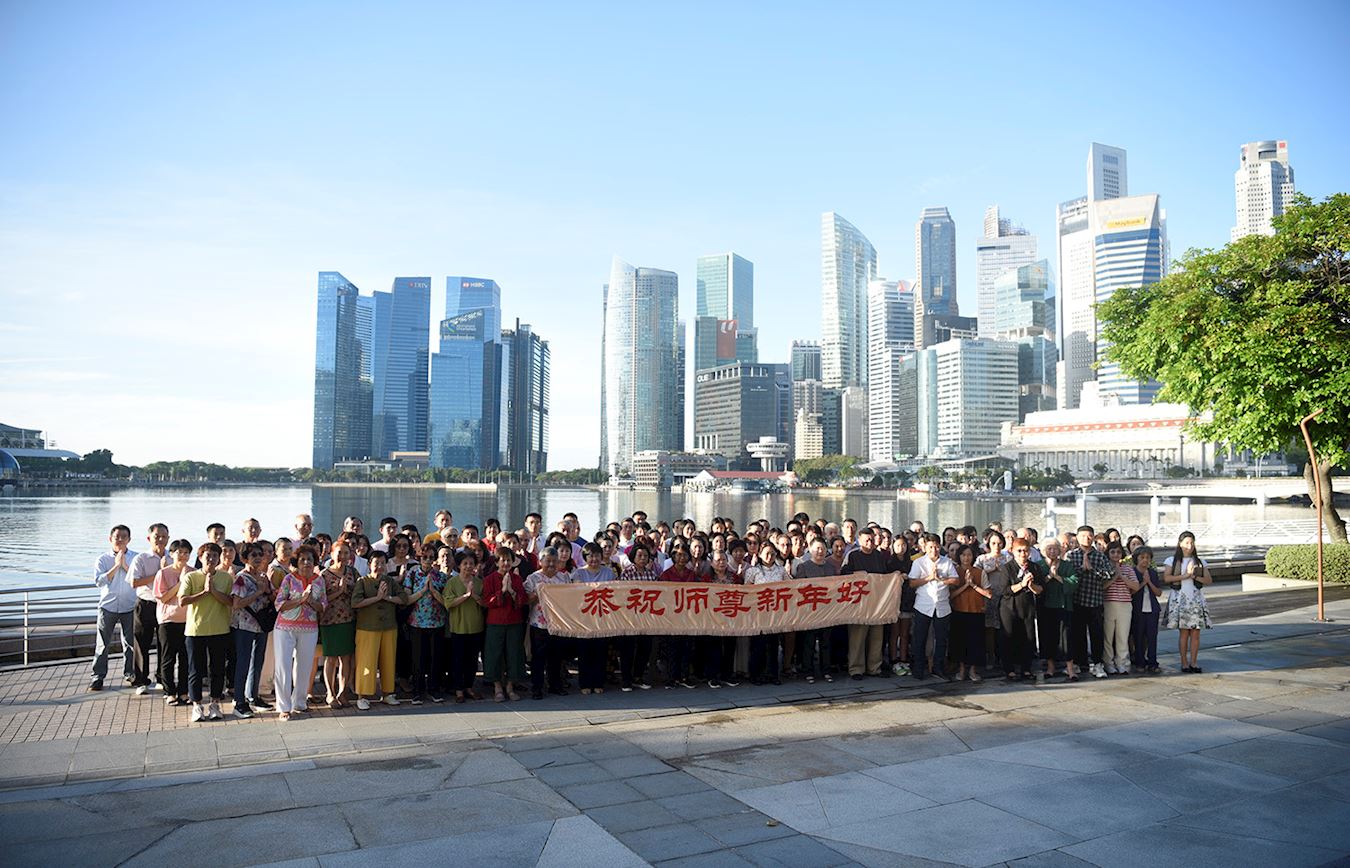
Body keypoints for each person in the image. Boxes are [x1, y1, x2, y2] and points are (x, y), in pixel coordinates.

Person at [179, 542, 235, 722]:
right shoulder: (191, 577)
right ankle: (196, 705)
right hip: (196, 630)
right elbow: (182, 600)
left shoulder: (226, 578)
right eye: (207, 556)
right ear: (200, 557)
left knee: (218, 669)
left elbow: (230, 601)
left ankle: (215, 703)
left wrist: (214, 591)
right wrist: (204, 592)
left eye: (214, 556)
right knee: (195, 670)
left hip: (220, 629)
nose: (211, 559)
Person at [273, 545, 327, 720]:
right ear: (297, 562)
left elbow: (323, 606)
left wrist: (310, 601)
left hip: (309, 628)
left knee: (304, 667)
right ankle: (284, 707)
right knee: (283, 666)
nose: (306, 563)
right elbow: (279, 604)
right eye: (302, 559)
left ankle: (300, 703)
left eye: (309, 559)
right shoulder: (289, 579)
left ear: (314, 562)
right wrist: (300, 599)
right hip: (285, 628)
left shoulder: (319, 581)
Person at [352, 549, 405, 709]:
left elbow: (404, 598)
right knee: (366, 662)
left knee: (388, 661)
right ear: (369, 564)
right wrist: (377, 598)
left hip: (389, 627)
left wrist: (387, 598)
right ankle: (362, 695)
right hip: (367, 628)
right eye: (376, 563)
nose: (380, 566)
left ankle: (388, 693)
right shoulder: (362, 581)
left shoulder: (390, 582)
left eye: (383, 563)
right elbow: (355, 603)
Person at [90, 525, 138, 692]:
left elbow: (137, 579)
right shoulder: (102, 559)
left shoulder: (136, 558)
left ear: (129, 540)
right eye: (117, 537)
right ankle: (97, 676)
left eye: (124, 537)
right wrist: (115, 566)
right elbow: (99, 581)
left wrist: (124, 565)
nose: (120, 540)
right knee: (103, 643)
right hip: (107, 606)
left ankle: (130, 673)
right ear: (110, 539)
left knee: (130, 643)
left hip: (130, 606)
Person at [230, 543, 274, 718]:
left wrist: (268, 591)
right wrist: (259, 592)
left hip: (261, 625)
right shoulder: (241, 578)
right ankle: (239, 701)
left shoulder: (263, 576)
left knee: (258, 662)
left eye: (259, 554)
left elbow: (270, 595)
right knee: (243, 662)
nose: (257, 558)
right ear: (244, 558)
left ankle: (253, 696)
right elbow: (237, 603)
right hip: (244, 625)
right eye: (253, 555)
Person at [840, 529, 889, 680]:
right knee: (857, 637)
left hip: (877, 602)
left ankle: (874, 667)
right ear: (859, 541)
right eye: (866, 540)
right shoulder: (853, 555)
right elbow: (844, 575)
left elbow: (886, 576)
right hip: (858, 602)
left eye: (872, 540)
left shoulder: (879, 556)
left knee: (876, 636)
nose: (870, 543)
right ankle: (856, 669)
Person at [908, 533, 958, 681]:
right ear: (925, 547)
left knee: (941, 639)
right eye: (930, 546)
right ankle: (919, 668)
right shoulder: (919, 563)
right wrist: (929, 578)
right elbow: (912, 583)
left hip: (942, 605)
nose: (934, 549)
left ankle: (938, 667)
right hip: (923, 605)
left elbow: (956, 580)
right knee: (920, 638)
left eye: (936, 546)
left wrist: (943, 579)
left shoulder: (946, 562)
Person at [125, 523, 168, 695]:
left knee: (164, 643)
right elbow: (134, 582)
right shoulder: (141, 558)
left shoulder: (172, 557)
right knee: (141, 642)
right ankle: (141, 680)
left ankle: (162, 678)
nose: (160, 540)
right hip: (146, 603)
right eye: (157, 536)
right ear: (149, 538)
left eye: (164, 536)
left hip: (165, 605)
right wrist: (160, 573)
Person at [404, 543, 449, 704]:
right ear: (419, 557)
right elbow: (407, 599)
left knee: (435, 657)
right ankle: (417, 690)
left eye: (431, 557)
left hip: (436, 622)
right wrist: (423, 590)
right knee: (418, 658)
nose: (428, 560)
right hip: (416, 622)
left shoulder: (441, 576)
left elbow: (446, 601)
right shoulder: (412, 574)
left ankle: (434, 689)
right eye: (425, 557)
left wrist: (434, 591)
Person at [524, 546, 571, 699]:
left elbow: (570, 598)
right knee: (538, 658)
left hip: (558, 623)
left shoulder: (564, 577)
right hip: (539, 623)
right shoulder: (533, 578)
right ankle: (537, 688)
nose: (551, 565)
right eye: (548, 561)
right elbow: (526, 600)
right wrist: (538, 593)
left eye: (554, 561)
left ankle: (555, 685)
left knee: (556, 656)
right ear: (541, 561)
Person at [482, 546, 528, 702]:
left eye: (509, 560)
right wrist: (501, 591)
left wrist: (512, 591)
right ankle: (497, 687)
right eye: (503, 560)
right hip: (495, 622)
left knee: (514, 654)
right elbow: (486, 602)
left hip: (514, 622)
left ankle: (510, 686)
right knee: (494, 654)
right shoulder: (489, 579)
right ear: (496, 562)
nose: (506, 563)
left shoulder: (517, 579)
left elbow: (522, 601)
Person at [1066, 525, 1112, 680]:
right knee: (1078, 634)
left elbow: (1108, 575)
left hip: (1095, 600)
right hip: (1077, 600)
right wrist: (1081, 569)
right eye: (1083, 536)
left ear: (1093, 537)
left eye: (1089, 535)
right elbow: (1068, 576)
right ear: (1077, 538)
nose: (1086, 538)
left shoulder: (1100, 556)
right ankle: (1081, 663)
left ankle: (1098, 663)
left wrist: (1091, 569)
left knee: (1097, 634)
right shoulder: (1071, 555)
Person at [1163, 531, 1213, 673]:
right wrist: (1185, 575)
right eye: (1186, 543)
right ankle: (1184, 662)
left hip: (1195, 599)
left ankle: (1194, 662)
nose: (1189, 546)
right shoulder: (1171, 560)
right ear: (1180, 544)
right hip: (1180, 599)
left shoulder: (1200, 562)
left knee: (1195, 632)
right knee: (1184, 633)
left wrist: (1195, 577)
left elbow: (1208, 580)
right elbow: (1167, 578)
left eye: (1191, 543)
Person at [571, 542, 615, 695]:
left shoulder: (609, 573)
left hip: (602, 617)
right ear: (585, 557)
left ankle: (598, 682)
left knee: (600, 651)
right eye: (590, 555)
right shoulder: (578, 573)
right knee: (584, 652)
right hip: (584, 618)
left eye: (597, 555)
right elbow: (576, 594)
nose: (594, 559)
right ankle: (584, 683)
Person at [153, 539, 193, 706]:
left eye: (186, 553)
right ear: (171, 554)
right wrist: (181, 583)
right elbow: (163, 597)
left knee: (186, 658)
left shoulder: (194, 572)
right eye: (179, 552)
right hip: (168, 620)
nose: (182, 556)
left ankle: (184, 691)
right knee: (168, 658)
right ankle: (169, 692)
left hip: (188, 620)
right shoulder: (163, 573)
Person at [318, 541, 357, 708]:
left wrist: (347, 590)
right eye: (339, 553)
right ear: (332, 554)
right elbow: (320, 600)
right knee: (331, 658)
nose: (342, 556)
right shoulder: (324, 575)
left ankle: (343, 692)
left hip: (349, 619)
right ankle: (330, 693)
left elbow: (357, 594)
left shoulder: (353, 572)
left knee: (346, 658)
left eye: (346, 553)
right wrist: (339, 591)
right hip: (330, 620)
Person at [616, 544, 659, 690]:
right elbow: (621, 594)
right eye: (639, 555)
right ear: (633, 557)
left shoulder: (652, 575)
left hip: (647, 618)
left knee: (644, 648)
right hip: (629, 618)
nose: (643, 558)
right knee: (627, 649)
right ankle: (626, 679)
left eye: (646, 556)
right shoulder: (627, 573)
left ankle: (638, 677)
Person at [793, 539, 837, 685]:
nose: (820, 551)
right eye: (817, 548)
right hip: (809, 611)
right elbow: (798, 590)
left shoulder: (831, 568)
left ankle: (826, 670)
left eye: (822, 549)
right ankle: (808, 671)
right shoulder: (803, 567)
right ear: (810, 550)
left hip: (827, 610)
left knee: (826, 642)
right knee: (809, 643)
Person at [445, 550, 486, 703]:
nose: (468, 566)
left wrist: (474, 596)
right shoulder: (452, 583)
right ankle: (458, 690)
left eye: (471, 564)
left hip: (475, 626)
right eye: (465, 564)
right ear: (459, 566)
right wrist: (465, 596)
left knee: (472, 659)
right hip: (458, 627)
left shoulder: (479, 583)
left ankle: (469, 687)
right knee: (457, 660)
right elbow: (448, 603)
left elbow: (485, 603)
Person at [1001, 539, 1044, 681]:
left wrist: (1030, 585)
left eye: (1025, 550)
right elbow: (1005, 590)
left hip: (1027, 607)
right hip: (1009, 607)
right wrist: (1022, 584)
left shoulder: (1035, 567)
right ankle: (1009, 669)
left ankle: (1026, 668)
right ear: (1013, 551)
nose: (1022, 554)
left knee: (1029, 637)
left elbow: (1040, 589)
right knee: (1009, 637)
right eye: (1019, 551)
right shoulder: (1007, 567)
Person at [949, 544, 991, 682]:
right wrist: (965, 586)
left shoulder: (980, 572)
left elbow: (988, 594)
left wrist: (973, 585)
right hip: (959, 611)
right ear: (959, 556)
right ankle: (961, 669)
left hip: (976, 611)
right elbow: (951, 595)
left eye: (969, 555)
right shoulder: (954, 572)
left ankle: (973, 670)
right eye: (963, 555)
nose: (966, 558)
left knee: (975, 642)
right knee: (959, 642)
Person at [1037, 540, 1078, 681]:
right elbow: (1037, 585)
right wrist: (1049, 577)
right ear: (1044, 551)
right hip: (1046, 607)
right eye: (1049, 549)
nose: (1053, 551)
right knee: (1048, 636)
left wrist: (1058, 577)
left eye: (1055, 549)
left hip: (1063, 606)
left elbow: (1074, 582)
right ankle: (1050, 667)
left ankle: (1070, 669)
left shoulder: (1067, 565)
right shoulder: (1040, 566)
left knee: (1066, 637)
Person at [1101, 541, 1141, 676]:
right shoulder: (1104, 567)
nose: (1115, 555)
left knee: (1122, 636)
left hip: (1125, 604)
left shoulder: (1128, 568)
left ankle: (1122, 663)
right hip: (1108, 603)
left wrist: (1122, 576)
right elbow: (1101, 586)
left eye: (1118, 552)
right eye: (1112, 552)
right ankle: (1108, 663)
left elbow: (1136, 586)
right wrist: (1113, 577)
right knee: (1108, 635)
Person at [1130, 546, 1164, 674]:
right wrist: (1143, 582)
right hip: (1137, 609)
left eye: (1148, 558)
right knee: (1138, 637)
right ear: (1136, 559)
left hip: (1152, 610)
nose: (1145, 560)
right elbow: (1132, 591)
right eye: (1142, 557)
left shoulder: (1153, 573)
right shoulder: (1132, 572)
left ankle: (1153, 662)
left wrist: (1149, 582)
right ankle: (1140, 662)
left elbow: (1158, 592)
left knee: (1152, 637)